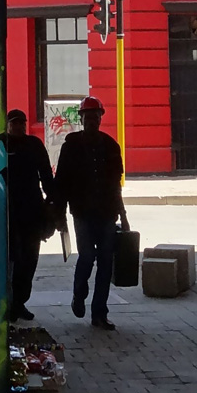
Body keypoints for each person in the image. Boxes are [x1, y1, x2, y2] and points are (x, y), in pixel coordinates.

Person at [54, 95, 129, 331]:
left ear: (100, 118)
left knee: (106, 263)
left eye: (95, 117)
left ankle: (99, 314)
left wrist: (123, 215)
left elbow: (116, 184)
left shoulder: (111, 146)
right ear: (81, 119)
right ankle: (79, 293)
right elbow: (61, 182)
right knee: (87, 256)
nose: (91, 121)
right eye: (87, 117)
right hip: (82, 213)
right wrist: (59, 214)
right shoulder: (71, 147)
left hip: (107, 213)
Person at [4, 108, 55, 322]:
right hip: (6, 212)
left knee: (30, 259)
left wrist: (53, 204)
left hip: (32, 211)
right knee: (10, 260)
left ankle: (20, 302)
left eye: (21, 123)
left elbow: (46, 176)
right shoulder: (1, 145)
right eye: (14, 123)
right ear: (7, 125)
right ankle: (9, 303)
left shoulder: (34, 145)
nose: (18, 126)